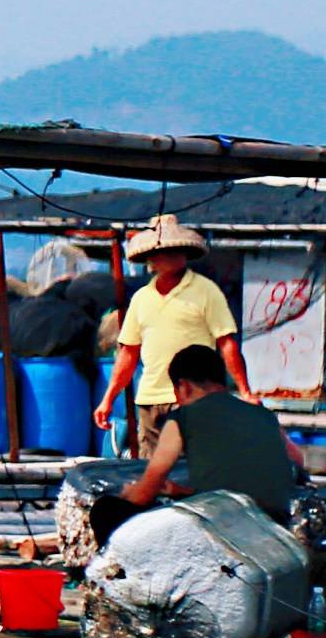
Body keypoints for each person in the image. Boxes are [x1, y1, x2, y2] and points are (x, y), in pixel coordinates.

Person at [96, 218, 242, 451]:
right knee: (153, 473)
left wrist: (245, 391)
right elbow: (128, 353)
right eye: (159, 253)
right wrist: (108, 399)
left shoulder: (206, 291)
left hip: (194, 399)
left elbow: (226, 343)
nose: (165, 257)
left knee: (194, 470)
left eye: (172, 251)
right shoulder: (142, 299)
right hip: (150, 401)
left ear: (183, 254)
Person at [121, 342, 301, 520]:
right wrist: (181, 491)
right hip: (274, 525)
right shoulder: (265, 415)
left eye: (176, 391)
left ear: (184, 386)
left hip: (221, 528)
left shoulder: (182, 418)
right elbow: (297, 460)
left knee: (107, 510)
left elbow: (145, 492)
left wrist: (127, 494)